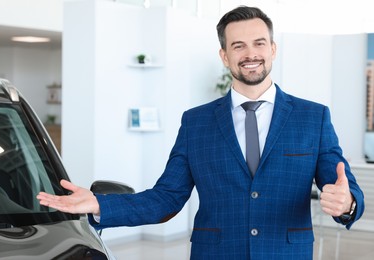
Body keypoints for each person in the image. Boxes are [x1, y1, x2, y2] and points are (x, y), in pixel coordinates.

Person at [37, 6, 364, 259]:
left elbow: (340, 184)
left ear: (273, 49)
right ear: (225, 55)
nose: (250, 54)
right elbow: (166, 198)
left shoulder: (313, 117)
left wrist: (346, 202)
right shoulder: (196, 123)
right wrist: (100, 205)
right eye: (238, 46)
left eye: (259, 43)